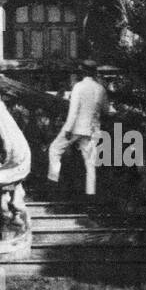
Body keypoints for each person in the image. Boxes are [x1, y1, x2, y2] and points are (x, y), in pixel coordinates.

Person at [46, 60, 109, 195]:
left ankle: (53, 182)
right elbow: (106, 110)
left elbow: (73, 111)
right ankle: (90, 195)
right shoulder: (100, 89)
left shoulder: (79, 87)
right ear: (94, 72)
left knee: (55, 149)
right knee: (90, 163)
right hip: (93, 129)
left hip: (76, 127)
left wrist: (68, 129)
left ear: (83, 72)